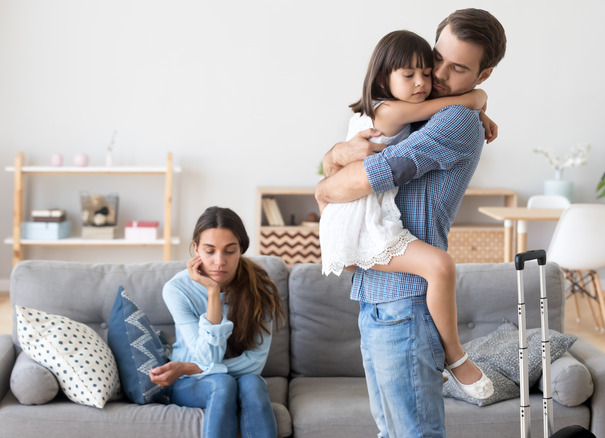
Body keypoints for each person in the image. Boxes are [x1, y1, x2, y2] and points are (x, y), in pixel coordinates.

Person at [315, 8, 506, 438]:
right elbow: (354, 150)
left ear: (485, 73)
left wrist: (323, 190)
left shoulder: (454, 120)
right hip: (376, 299)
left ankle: (457, 360)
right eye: (436, 57)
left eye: (457, 69)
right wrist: (333, 156)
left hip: (406, 303)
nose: (434, 76)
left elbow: (374, 174)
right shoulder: (420, 109)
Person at [149, 206, 285, 438]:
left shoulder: (260, 289)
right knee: (222, 383)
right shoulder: (177, 289)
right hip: (190, 383)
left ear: (241, 249)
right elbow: (207, 358)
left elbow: (255, 364)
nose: (219, 261)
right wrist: (213, 292)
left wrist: (187, 366)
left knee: (253, 383)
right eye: (209, 251)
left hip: (196, 371)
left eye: (229, 251)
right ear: (196, 249)